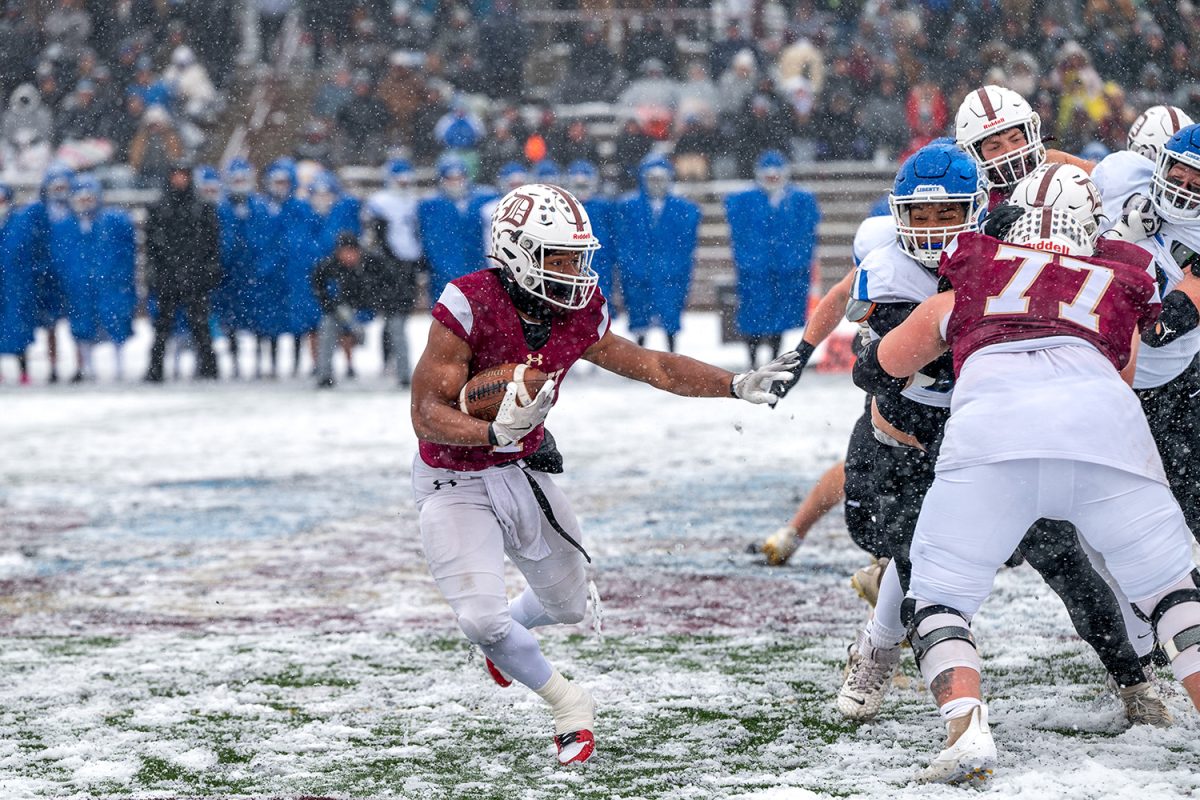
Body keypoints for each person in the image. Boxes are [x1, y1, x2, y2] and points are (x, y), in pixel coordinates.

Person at [411, 182, 799, 766]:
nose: (573, 270)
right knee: (481, 620)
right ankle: (569, 703)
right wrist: (492, 432)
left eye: (578, 256)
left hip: (522, 471)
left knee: (566, 607)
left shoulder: (578, 310)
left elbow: (652, 364)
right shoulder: (468, 301)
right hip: (453, 477)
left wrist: (733, 384)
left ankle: (506, 646)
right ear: (517, 253)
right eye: (558, 257)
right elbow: (425, 414)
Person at [855, 188, 1200, 785]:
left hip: (993, 436)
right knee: (1174, 593)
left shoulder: (970, 276)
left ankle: (966, 726)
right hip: (1103, 431)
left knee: (940, 599)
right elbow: (1121, 374)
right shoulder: (1113, 278)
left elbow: (879, 366)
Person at [1091, 121, 1200, 545]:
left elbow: (1155, 328)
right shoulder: (1123, 175)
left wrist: (1120, 242)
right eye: (1179, 171)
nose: (1185, 184)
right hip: (1096, 375)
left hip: (1170, 385)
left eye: (1198, 179)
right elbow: (1071, 174)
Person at [724, 150, 820, 367]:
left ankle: (773, 356)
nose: (772, 180)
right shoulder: (744, 201)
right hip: (756, 270)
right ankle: (753, 360)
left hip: (786, 269)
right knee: (753, 317)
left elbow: (807, 234)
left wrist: (795, 261)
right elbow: (740, 235)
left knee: (780, 318)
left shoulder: (799, 200)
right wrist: (750, 261)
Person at [49, 174, 136, 381]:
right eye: (80, 199)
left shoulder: (112, 222)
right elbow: (60, 257)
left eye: (89, 198)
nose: (85, 204)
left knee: (115, 321)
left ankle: (119, 364)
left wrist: (119, 277)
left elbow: (125, 253)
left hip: (109, 283)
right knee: (82, 324)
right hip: (79, 285)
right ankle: (87, 367)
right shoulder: (64, 226)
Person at [144, 162, 221, 382]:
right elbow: (152, 245)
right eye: (176, 175)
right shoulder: (160, 207)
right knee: (163, 328)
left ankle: (209, 367)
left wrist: (207, 270)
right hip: (168, 276)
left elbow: (211, 243)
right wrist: (157, 272)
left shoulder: (202, 208)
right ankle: (156, 368)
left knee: (200, 326)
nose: (179, 180)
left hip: (194, 276)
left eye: (183, 175)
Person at [614, 156, 701, 351]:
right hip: (638, 271)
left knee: (670, 315)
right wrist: (631, 264)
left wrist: (675, 266)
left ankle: (671, 355)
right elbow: (622, 239)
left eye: (660, 179)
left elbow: (687, 244)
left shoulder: (684, 209)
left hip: (670, 272)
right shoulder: (628, 206)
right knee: (639, 317)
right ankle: (641, 356)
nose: (656, 184)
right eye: (652, 179)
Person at [365, 158, 424, 385]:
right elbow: (375, 236)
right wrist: (384, 260)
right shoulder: (380, 202)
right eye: (399, 180)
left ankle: (394, 361)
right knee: (392, 315)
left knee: (401, 315)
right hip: (388, 265)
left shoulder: (413, 201)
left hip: (408, 264)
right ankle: (390, 362)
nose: (403, 184)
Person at [417, 153, 495, 303]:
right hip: (443, 276)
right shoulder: (430, 205)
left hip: (479, 273)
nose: (456, 183)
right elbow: (425, 239)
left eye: (459, 177)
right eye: (450, 178)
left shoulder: (484, 199)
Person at [312, 232, 378, 388]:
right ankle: (324, 375)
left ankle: (351, 365)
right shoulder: (327, 266)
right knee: (327, 331)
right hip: (336, 310)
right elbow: (319, 288)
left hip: (362, 311)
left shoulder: (368, 265)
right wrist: (333, 307)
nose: (349, 256)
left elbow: (376, 288)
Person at [213, 158, 259, 378]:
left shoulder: (258, 206)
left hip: (254, 272)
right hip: (228, 273)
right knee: (228, 321)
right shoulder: (222, 209)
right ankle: (234, 361)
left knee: (260, 320)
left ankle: (260, 362)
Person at [565, 160, 616, 309]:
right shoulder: (565, 205)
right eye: (577, 185)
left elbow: (612, 234)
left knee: (600, 296)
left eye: (584, 185)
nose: (581, 190)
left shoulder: (603, 205)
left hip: (600, 258)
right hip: (572, 258)